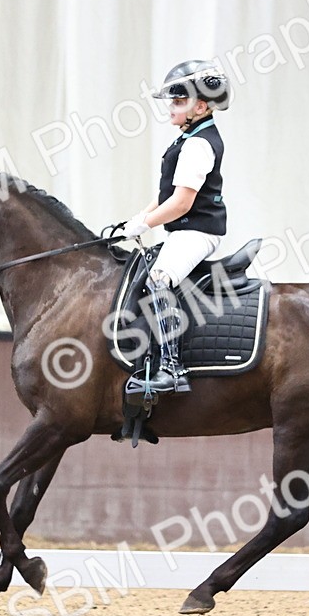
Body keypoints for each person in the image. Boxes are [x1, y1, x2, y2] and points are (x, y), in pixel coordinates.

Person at [120, 59, 232, 394]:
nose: (171, 108)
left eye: (179, 101)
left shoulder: (198, 144)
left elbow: (182, 204)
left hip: (198, 232)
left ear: (200, 106)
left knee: (158, 280)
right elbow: (167, 196)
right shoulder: (187, 137)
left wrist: (145, 223)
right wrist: (136, 219)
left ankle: (172, 368)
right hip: (184, 229)